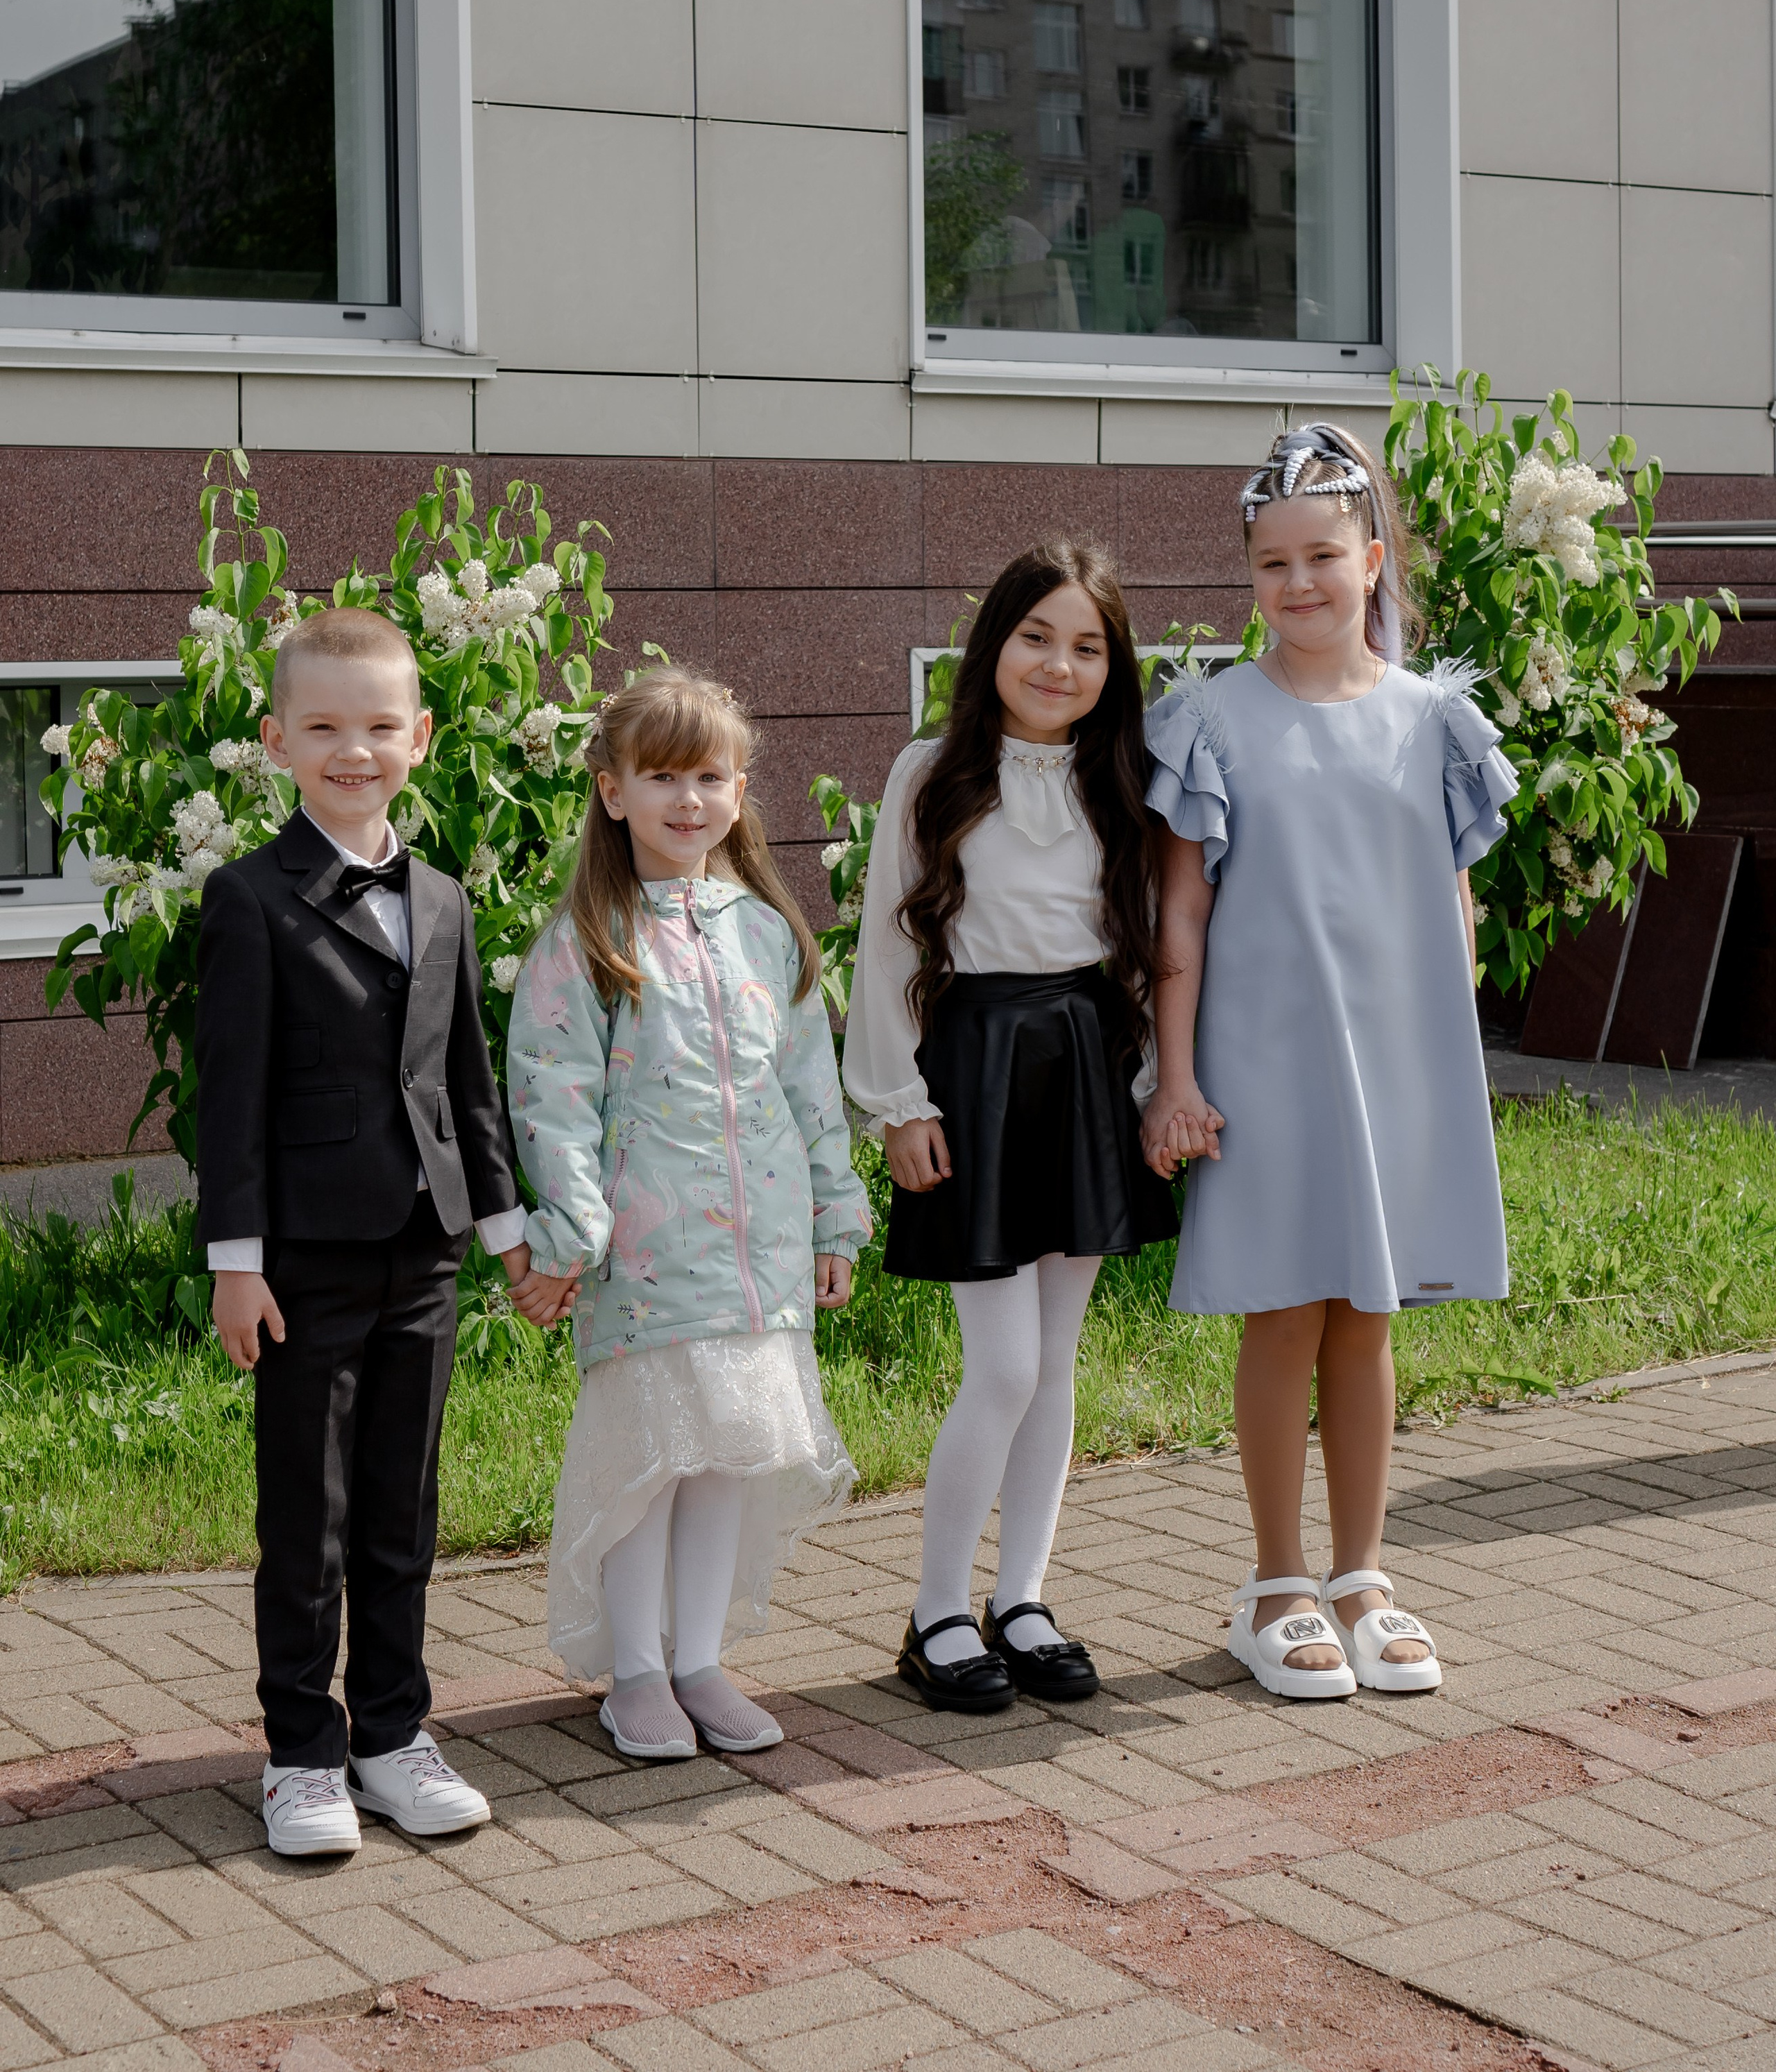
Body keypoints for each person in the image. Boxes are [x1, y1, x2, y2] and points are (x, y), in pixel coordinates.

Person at [1142, 423, 1517, 1701]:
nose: (1298, 583)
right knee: (1285, 1309)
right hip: (1264, 1068)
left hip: (1394, 1067)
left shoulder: (1433, 720)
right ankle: (1276, 1584)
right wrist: (1176, 1079)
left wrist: (1445, 1067)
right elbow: (1181, 915)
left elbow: (1452, 905)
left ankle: (1362, 1574)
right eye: (1272, 563)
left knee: (1369, 1315)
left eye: (1321, 557)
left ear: (1372, 560)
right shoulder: (1212, 721)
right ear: (1250, 574)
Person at [197, 607, 549, 1858]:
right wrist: (236, 1266)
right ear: (276, 740)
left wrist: (505, 1230)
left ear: (421, 737)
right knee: (311, 1516)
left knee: (404, 1507)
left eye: (380, 726)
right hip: (304, 1260)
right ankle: (301, 1754)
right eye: (325, 728)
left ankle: (393, 1735)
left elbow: (467, 1083)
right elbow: (229, 1099)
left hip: (425, 1250)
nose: (355, 750)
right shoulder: (250, 899)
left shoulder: (443, 898)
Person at [506, 667, 867, 1763]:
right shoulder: (587, 940)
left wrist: (835, 1219)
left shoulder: (766, 933)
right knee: (650, 1465)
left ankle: (700, 1660)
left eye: (709, 777)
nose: (688, 799)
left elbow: (809, 1089)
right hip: (646, 1262)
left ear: (740, 791)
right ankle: (638, 1673)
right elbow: (552, 1098)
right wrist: (571, 1237)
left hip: (757, 1259)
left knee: (724, 1462)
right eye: (662, 777)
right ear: (612, 790)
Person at [845, 541, 1177, 1713]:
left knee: (1056, 1364)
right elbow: (888, 944)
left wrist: (1153, 1088)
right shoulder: (932, 771)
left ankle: (1022, 1599)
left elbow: (1148, 944)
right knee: (1005, 1366)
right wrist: (898, 1103)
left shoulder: (1124, 779)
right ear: (995, 643)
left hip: (1086, 1065)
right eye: (1037, 636)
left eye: (1087, 647)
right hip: (975, 1070)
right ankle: (937, 1610)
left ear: (1113, 667)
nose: (1058, 665)